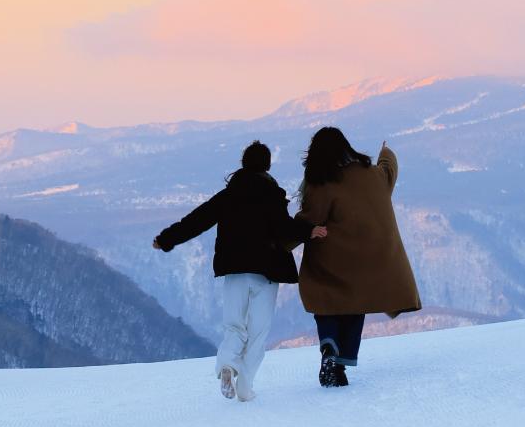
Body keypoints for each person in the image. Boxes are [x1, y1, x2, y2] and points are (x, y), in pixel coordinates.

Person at [153, 140, 327, 401]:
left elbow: (196, 221)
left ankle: (227, 364)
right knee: (258, 332)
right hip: (267, 273)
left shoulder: (228, 195)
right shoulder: (272, 195)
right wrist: (310, 231)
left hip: (234, 270)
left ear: (243, 163)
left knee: (234, 326)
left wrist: (166, 239)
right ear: (267, 165)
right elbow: (285, 228)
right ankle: (245, 388)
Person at [295, 127, 421, 387]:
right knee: (355, 306)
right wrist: (385, 152)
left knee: (325, 301)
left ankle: (329, 346)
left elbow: (309, 219)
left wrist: (281, 239)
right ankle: (340, 367)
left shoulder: (322, 182)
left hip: (331, 257)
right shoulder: (372, 175)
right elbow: (388, 172)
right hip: (366, 260)